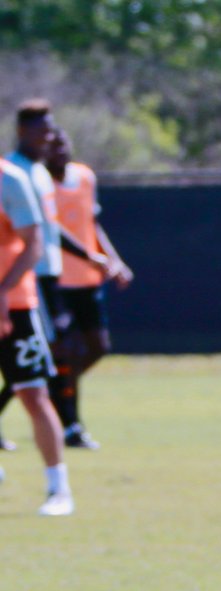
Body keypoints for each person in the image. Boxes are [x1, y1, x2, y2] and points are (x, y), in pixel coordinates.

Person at [0, 101, 107, 451]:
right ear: (21, 131)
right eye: (41, 129)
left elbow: (49, 229)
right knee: (46, 358)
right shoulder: (13, 172)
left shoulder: (39, 172)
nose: (48, 136)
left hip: (46, 278)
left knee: (48, 359)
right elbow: (27, 236)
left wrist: (92, 256)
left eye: (50, 129)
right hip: (27, 282)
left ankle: (71, 427)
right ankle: (71, 427)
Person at [46, 128, 134, 449]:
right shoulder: (39, 184)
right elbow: (50, 232)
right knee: (64, 354)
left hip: (88, 278)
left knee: (97, 347)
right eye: (51, 147)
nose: (59, 151)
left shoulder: (84, 177)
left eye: (62, 145)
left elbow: (91, 225)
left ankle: (55, 390)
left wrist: (114, 261)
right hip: (55, 282)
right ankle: (71, 425)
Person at [0, 154, 74, 515]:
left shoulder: (10, 180)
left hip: (13, 306)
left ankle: (58, 489)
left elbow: (34, 244)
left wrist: (2, 291)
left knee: (33, 394)